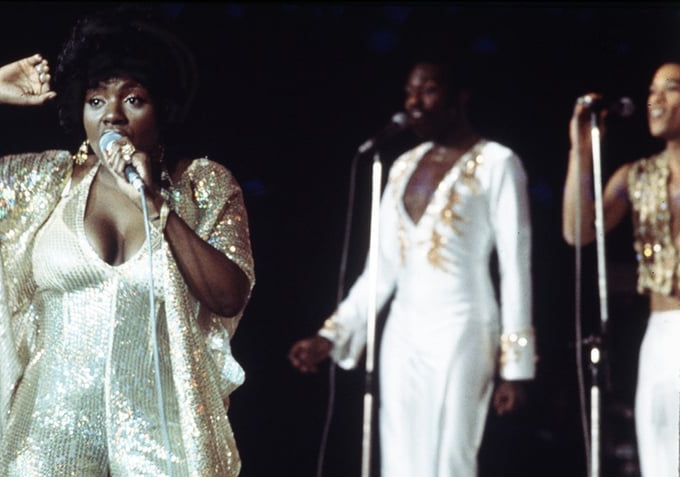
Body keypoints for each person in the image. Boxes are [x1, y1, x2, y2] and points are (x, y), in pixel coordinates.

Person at [0, 6, 254, 476]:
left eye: (133, 99)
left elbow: (228, 295)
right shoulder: (44, 182)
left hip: (162, 438)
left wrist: (158, 206)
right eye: (96, 101)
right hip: (47, 436)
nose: (111, 116)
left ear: (164, 109)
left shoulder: (202, 186)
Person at [288, 59, 536, 476]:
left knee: (451, 457)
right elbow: (380, 271)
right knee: (401, 457)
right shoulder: (400, 167)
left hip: (464, 327)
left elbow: (516, 265)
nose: (415, 102)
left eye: (429, 90)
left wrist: (516, 366)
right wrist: (331, 335)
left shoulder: (498, 163)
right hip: (403, 334)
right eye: (409, 92)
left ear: (460, 97)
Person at [561, 61, 680, 477]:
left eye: (671, 88)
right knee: (661, 460)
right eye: (651, 90)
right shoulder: (636, 176)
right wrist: (581, 150)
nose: (656, 99)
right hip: (662, 335)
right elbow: (577, 230)